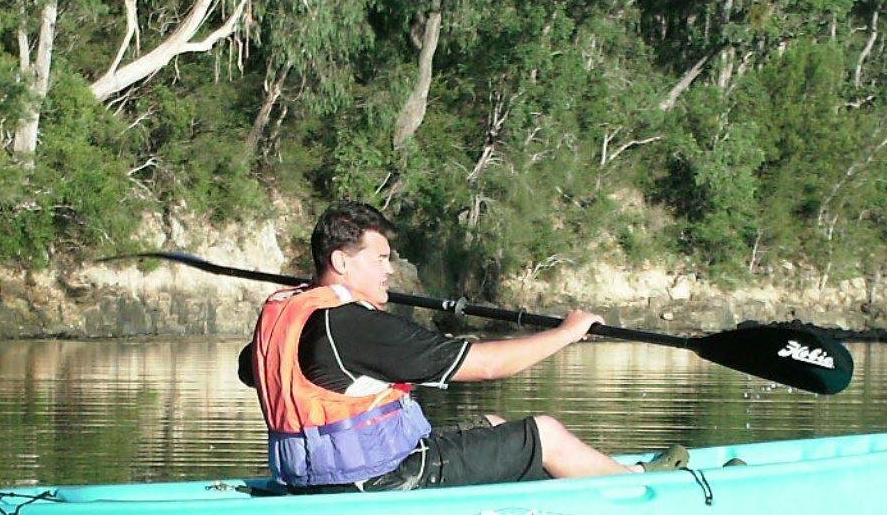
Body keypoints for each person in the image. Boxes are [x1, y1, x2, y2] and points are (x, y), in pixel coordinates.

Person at [241, 201, 666, 493]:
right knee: (545, 434)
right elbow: (482, 366)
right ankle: (636, 486)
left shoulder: (289, 315)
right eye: (381, 259)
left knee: (494, 424)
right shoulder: (354, 326)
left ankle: (579, 486)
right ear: (341, 263)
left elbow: (251, 368)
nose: (390, 270)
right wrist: (567, 334)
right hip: (377, 480)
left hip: (309, 477)